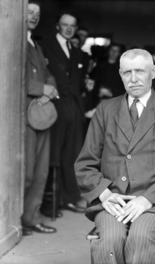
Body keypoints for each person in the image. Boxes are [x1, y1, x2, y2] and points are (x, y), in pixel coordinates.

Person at [75, 49, 155, 263]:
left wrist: (147, 199)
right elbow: (85, 164)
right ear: (120, 74)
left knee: (140, 238)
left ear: (154, 72)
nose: (133, 79)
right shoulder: (105, 110)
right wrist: (104, 194)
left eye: (140, 71)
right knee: (110, 239)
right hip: (114, 200)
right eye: (127, 72)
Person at [41, 12, 86, 214]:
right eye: (65, 25)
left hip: (74, 106)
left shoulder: (76, 51)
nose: (68, 29)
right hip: (56, 104)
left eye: (72, 26)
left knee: (72, 153)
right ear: (57, 26)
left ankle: (69, 198)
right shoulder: (46, 46)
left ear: (76, 29)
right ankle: (51, 202)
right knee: (54, 154)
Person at [22, 1, 58, 235]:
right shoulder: (10, 42)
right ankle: (14, 220)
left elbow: (48, 74)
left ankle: (31, 217)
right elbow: (11, 76)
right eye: (30, 12)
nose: (34, 16)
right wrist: (41, 89)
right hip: (22, 117)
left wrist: (50, 89)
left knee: (40, 170)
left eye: (38, 13)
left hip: (40, 114)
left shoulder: (35, 43)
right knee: (25, 171)